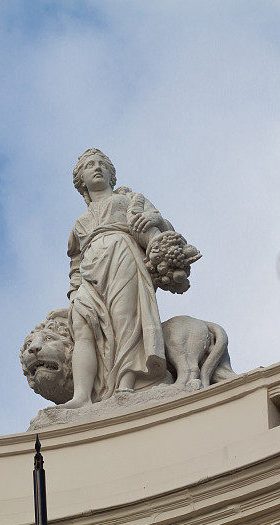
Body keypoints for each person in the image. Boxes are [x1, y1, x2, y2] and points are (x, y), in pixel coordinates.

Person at [62, 148, 171, 408]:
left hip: (122, 255)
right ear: (81, 181)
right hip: (90, 271)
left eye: (102, 164)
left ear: (111, 174)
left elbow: (161, 228)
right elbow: (75, 265)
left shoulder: (130, 199)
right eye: (90, 165)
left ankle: (126, 383)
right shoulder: (80, 222)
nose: (97, 168)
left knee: (125, 320)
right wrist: (73, 293)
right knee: (83, 328)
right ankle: (82, 396)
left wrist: (153, 218)